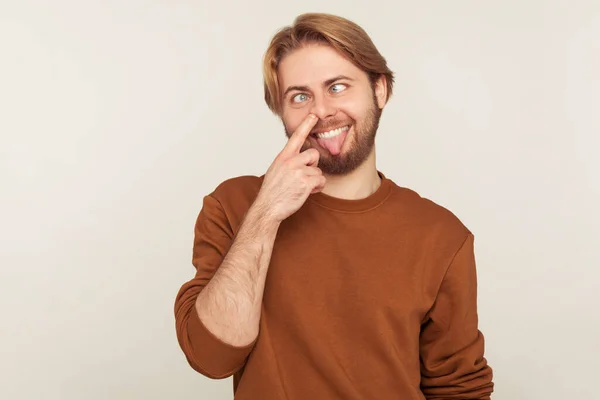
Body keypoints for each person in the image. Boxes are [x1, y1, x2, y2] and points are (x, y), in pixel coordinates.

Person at [174, 12, 494, 400]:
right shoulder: (235, 205)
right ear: (281, 111)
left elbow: (459, 388)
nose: (322, 111)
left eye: (338, 87)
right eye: (300, 96)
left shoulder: (442, 236)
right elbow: (212, 358)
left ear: (380, 90)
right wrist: (265, 214)